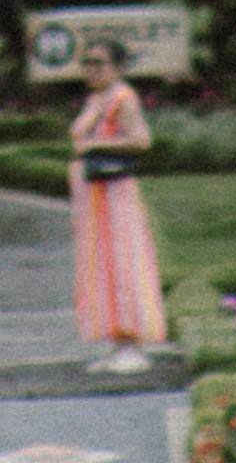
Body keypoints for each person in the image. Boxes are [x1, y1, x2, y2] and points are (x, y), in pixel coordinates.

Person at [69, 62, 167, 355]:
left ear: (117, 67)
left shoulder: (123, 99)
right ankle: (114, 337)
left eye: (100, 64)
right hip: (94, 192)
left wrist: (96, 145)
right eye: (88, 64)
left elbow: (140, 140)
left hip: (115, 191)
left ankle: (132, 338)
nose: (92, 71)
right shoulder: (95, 100)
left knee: (122, 258)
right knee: (101, 262)